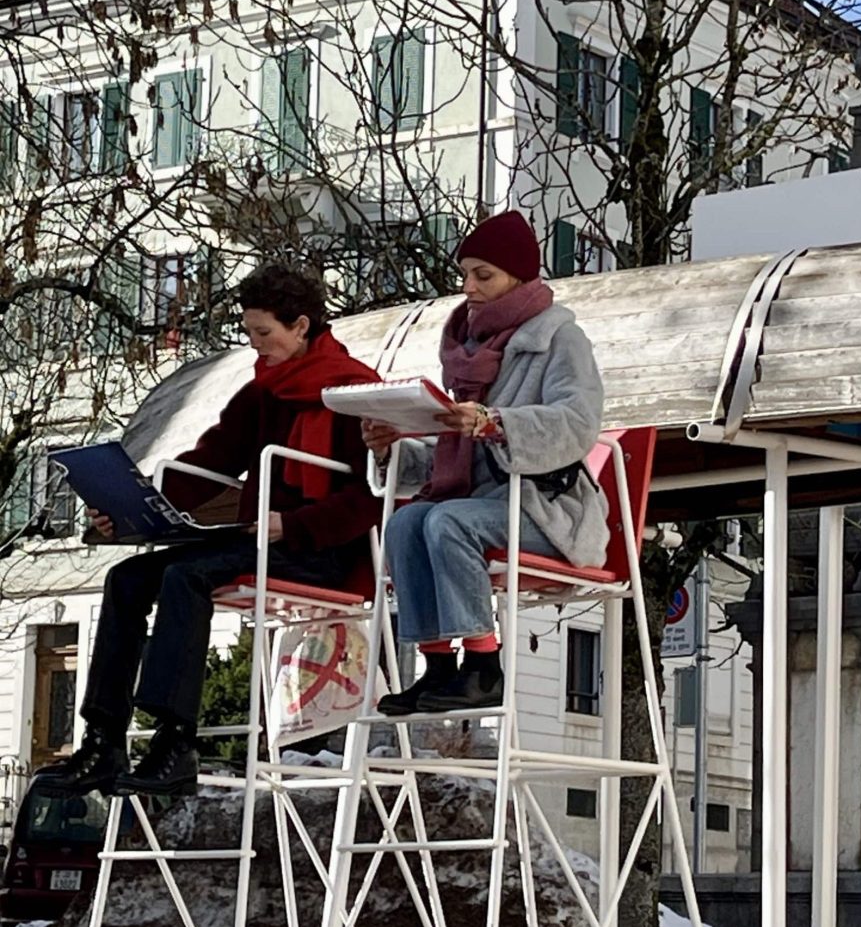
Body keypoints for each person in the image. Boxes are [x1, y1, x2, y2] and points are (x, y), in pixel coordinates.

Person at [42, 264, 381, 798]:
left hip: (321, 549)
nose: (254, 345)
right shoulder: (262, 390)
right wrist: (133, 507)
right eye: (247, 333)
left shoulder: (355, 389)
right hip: (260, 539)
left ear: (301, 326)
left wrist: (291, 523)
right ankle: (102, 739)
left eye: (263, 333)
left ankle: (175, 742)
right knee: (127, 578)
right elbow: (213, 460)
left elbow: (372, 497)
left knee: (187, 576)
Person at [362, 211, 606, 715]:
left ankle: (483, 667)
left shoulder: (561, 338)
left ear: (518, 275)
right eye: (465, 273)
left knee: (449, 521)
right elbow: (456, 450)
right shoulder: (467, 349)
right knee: (406, 522)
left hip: (547, 509)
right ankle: (437, 669)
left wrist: (498, 423)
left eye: (483, 274)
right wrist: (391, 446)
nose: (468, 286)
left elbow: (579, 424)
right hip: (484, 503)